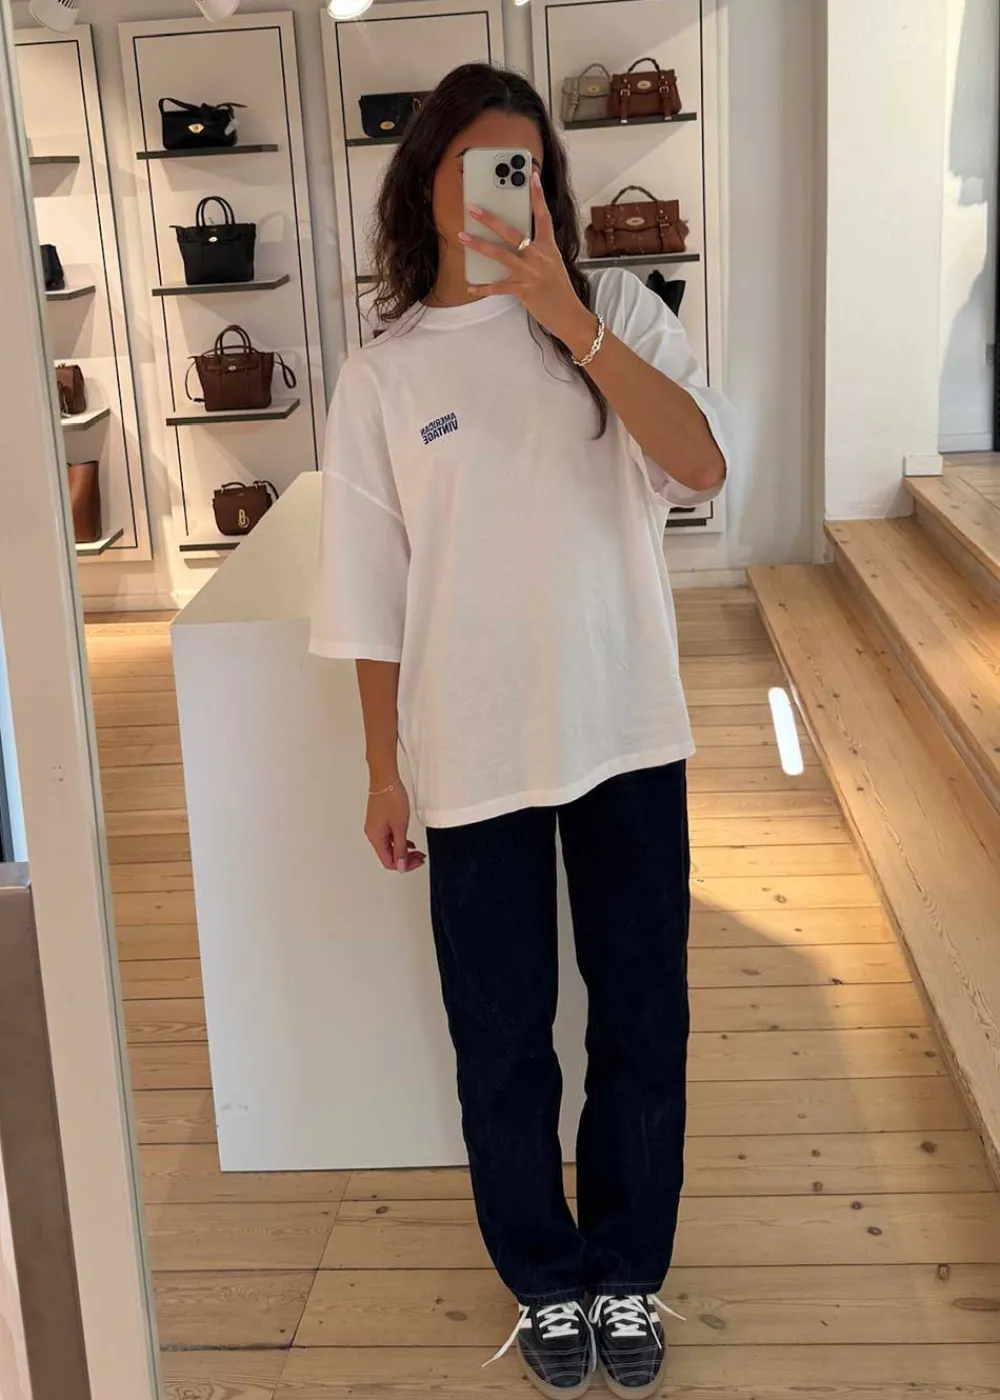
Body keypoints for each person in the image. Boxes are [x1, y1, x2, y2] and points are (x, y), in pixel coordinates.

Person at [310, 61, 734, 1400]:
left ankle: (625, 1268)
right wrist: (380, 769)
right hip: (471, 745)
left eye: (530, 169)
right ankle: (547, 1280)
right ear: (426, 184)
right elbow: (369, 592)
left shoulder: (618, 312)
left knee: (642, 1017)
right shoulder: (383, 376)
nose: (511, 189)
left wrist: (569, 318)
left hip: (625, 727)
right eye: (483, 167)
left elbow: (703, 466)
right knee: (501, 1038)